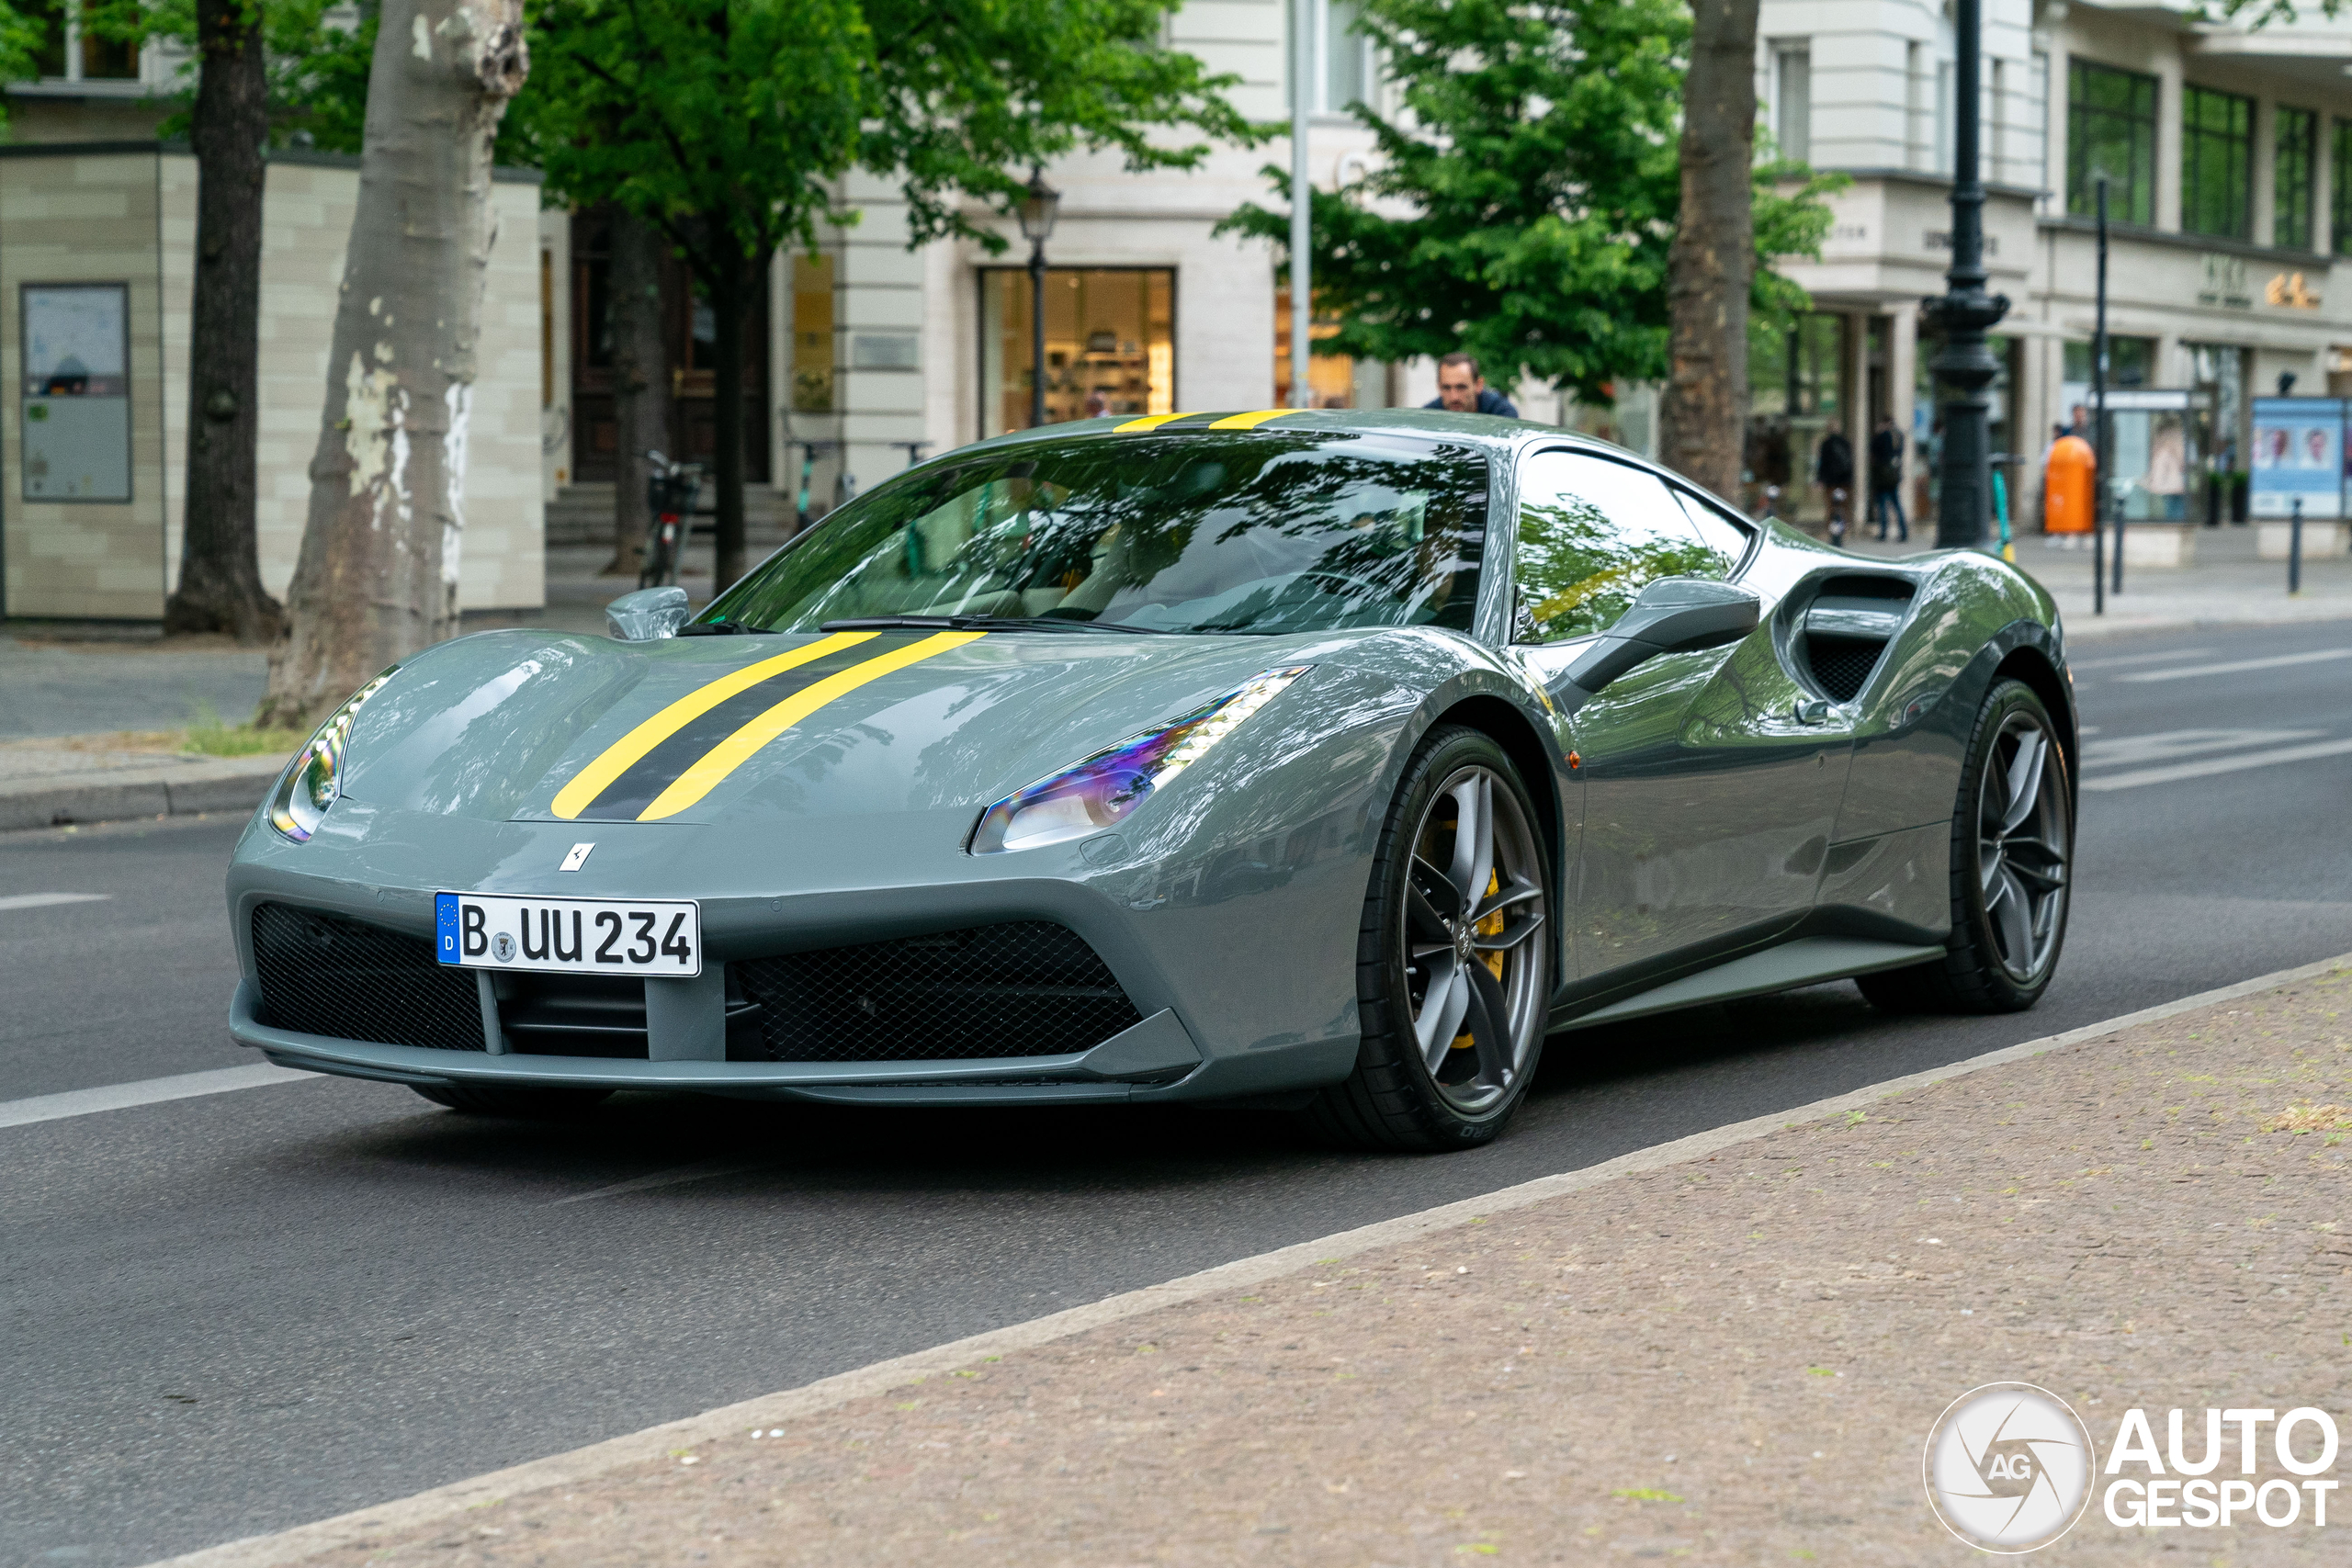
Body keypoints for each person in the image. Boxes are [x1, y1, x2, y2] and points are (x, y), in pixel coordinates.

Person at [1423, 353, 1520, 418]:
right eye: (1447, 388)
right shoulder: (1428, 417)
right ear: (1439, 387)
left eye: (1461, 387)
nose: (1454, 397)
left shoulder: (1501, 414)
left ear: (1478, 385)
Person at [1867, 414, 1907, 542]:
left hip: (1882, 475)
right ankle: (1904, 531)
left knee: (1883, 504)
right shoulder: (1899, 436)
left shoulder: (1883, 436)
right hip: (1894, 475)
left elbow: (1873, 449)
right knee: (1896, 503)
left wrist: (1878, 433)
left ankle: (1883, 532)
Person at [1815, 419, 1853, 545]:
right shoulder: (1845, 443)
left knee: (1831, 507)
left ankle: (1831, 531)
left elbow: (1823, 464)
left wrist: (1820, 479)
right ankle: (1844, 530)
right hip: (1844, 481)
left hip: (1831, 481)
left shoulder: (1826, 443)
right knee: (1843, 506)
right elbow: (1850, 463)